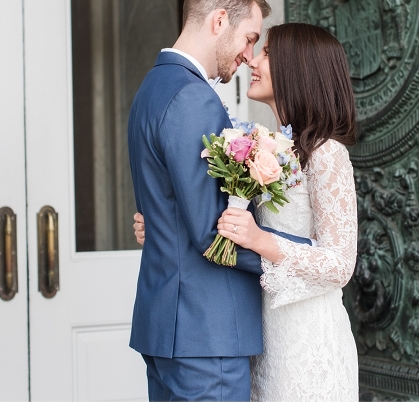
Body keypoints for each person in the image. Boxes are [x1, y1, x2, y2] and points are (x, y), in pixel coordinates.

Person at [134, 23, 359, 401]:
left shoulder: (326, 154)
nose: (252, 60)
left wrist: (261, 239)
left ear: (298, 67)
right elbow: (224, 220)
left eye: (267, 52)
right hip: (264, 335)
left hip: (307, 340)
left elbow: (340, 264)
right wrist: (161, 224)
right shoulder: (263, 145)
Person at [127, 0, 312, 402]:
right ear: (219, 21)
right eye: (249, 38)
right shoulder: (192, 97)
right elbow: (216, 231)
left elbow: (169, 206)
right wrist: (299, 256)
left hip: (169, 323)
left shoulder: (151, 89)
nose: (249, 56)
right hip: (205, 332)